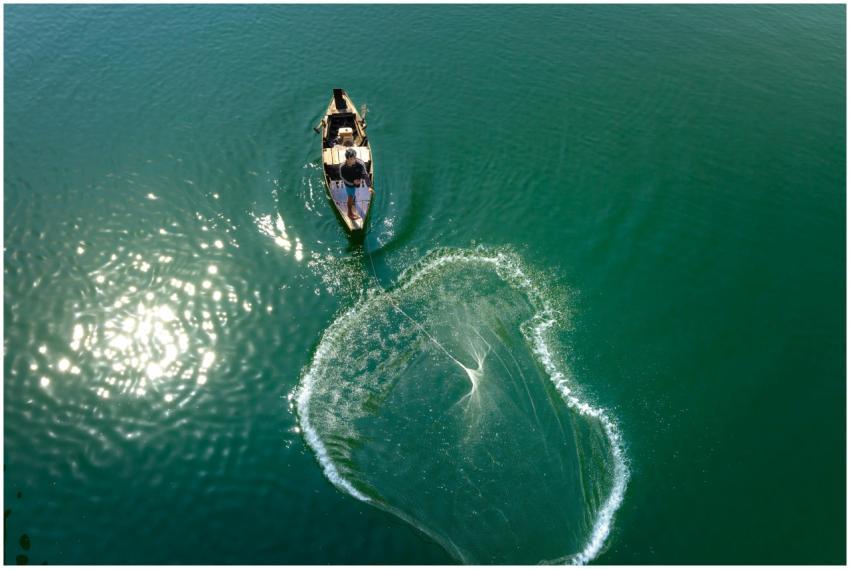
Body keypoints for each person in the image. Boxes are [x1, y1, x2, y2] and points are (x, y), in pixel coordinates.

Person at [339, 147, 371, 221]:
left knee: (353, 194)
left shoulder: (360, 163)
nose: (354, 160)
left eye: (354, 158)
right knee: (350, 197)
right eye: (352, 158)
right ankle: (349, 213)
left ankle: (353, 198)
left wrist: (369, 186)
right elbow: (342, 177)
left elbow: (365, 174)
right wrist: (352, 182)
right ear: (347, 159)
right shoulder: (342, 167)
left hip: (357, 181)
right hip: (349, 184)